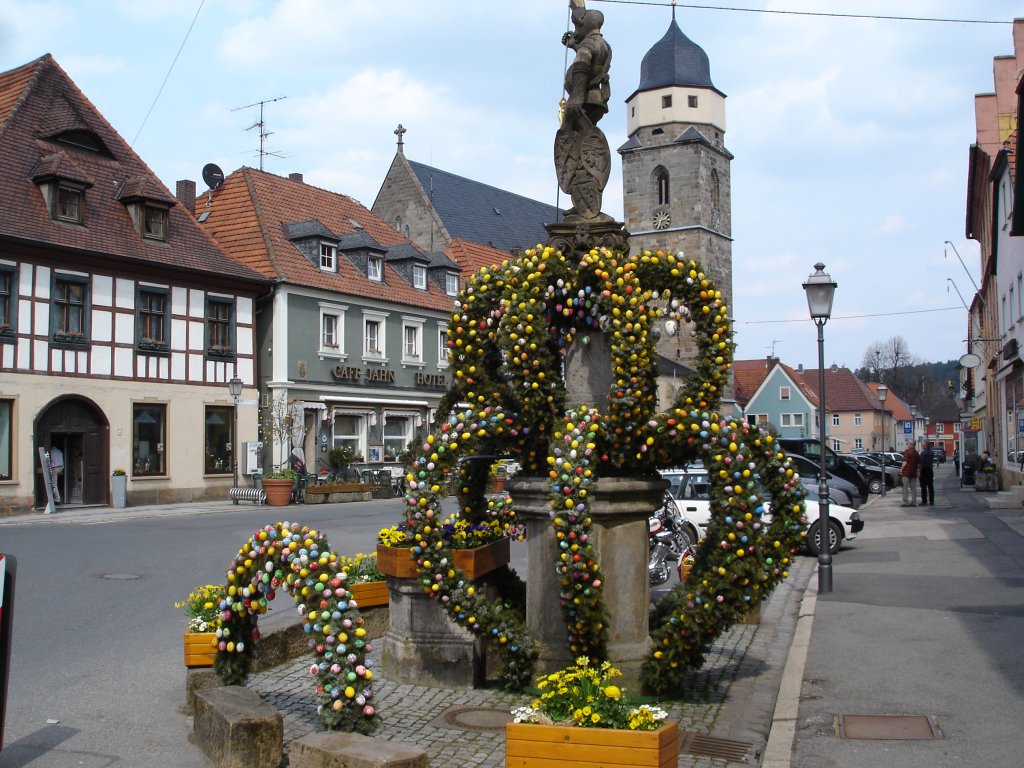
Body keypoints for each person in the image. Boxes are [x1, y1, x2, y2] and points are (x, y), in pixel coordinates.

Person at [555, 0, 613, 220]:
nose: (576, 29)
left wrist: (574, 102)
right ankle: (583, 202)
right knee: (583, 152)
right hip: (597, 101)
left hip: (582, 102)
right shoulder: (602, 44)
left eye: (579, 26)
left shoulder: (587, 49)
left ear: (585, 27)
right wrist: (573, 44)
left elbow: (582, 70)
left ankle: (584, 202)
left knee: (576, 150)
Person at [900, 441, 919, 507]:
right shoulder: (916, 453)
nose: (907, 444)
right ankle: (914, 502)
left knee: (905, 487)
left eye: (907, 443)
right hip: (913, 472)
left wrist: (901, 469)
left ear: (910, 444)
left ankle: (906, 501)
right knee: (913, 487)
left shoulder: (907, 452)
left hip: (906, 472)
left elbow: (904, 462)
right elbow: (919, 463)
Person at [919, 440, 935, 506]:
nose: (922, 446)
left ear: (925, 445)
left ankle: (924, 501)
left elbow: (921, 463)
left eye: (922, 445)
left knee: (923, 486)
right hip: (930, 469)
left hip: (924, 470)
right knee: (930, 486)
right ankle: (931, 501)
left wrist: (919, 471)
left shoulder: (923, 453)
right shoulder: (931, 453)